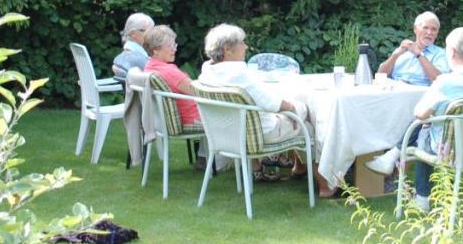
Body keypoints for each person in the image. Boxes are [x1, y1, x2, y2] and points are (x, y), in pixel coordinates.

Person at [367, 26, 463, 212]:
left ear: (452, 52)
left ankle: (422, 198)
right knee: (428, 126)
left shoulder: (445, 82)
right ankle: (392, 156)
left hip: (451, 150)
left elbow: (419, 114)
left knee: (424, 128)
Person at [199, 23, 333, 195]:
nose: (246, 46)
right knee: (307, 123)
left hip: (226, 134)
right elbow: (271, 104)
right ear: (227, 49)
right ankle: (325, 185)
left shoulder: (207, 71)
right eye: (241, 43)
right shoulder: (239, 74)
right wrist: (292, 109)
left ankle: (299, 168)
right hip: (260, 134)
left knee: (300, 122)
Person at [141, 25, 201, 127]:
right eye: (170, 46)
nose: (174, 50)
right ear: (155, 50)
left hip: (176, 119)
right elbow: (199, 91)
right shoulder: (169, 72)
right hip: (196, 118)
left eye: (174, 45)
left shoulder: (149, 67)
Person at [377, 11, 451, 86]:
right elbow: (380, 75)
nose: (429, 32)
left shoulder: (440, 54)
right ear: (415, 29)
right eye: (425, 28)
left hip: (419, 94)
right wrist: (395, 55)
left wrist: (419, 54)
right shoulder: (404, 49)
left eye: (434, 29)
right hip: (393, 90)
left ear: (437, 34)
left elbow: (438, 80)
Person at [112, 12, 153, 79]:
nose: (153, 35)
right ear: (134, 34)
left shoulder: (121, 58)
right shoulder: (138, 59)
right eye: (150, 31)